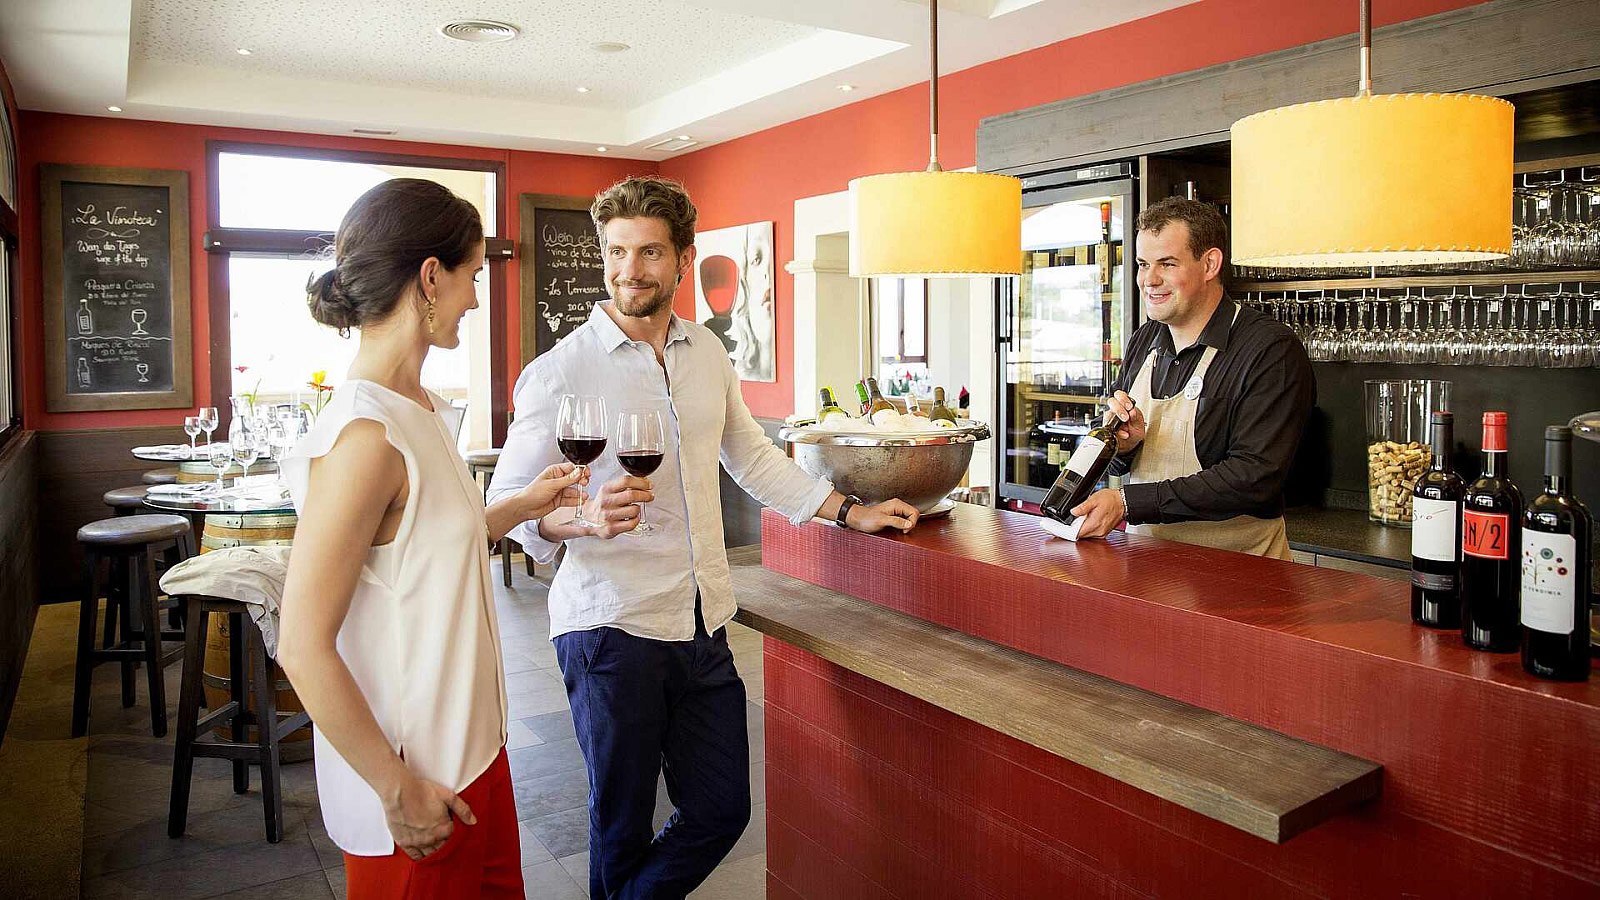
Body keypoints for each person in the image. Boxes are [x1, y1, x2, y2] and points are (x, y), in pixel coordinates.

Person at [488, 175, 919, 899]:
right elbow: (510, 508)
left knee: (721, 810)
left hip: (702, 618)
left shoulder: (708, 355)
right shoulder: (560, 373)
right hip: (611, 627)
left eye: (650, 252)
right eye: (617, 252)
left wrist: (848, 511)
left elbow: (751, 457)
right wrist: (582, 519)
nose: (630, 270)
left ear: (683, 260)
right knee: (620, 827)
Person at [276, 178, 585, 899]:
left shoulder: (418, 407)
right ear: (429, 278)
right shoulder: (365, 436)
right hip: (419, 787)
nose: (475, 299)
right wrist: (396, 787)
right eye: (472, 276)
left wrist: (519, 507)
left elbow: (424, 550)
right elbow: (302, 643)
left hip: (478, 755)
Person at [1068, 197, 1315, 559]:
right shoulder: (1145, 339)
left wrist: (1127, 502)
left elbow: (1254, 477)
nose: (1149, 279)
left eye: (1167, 264)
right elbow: (1119, 459)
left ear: (1210, 264)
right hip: (1148, 565)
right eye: (1143, 264)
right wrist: (1122, 445)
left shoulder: (1270, 349)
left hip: (1239, 572)